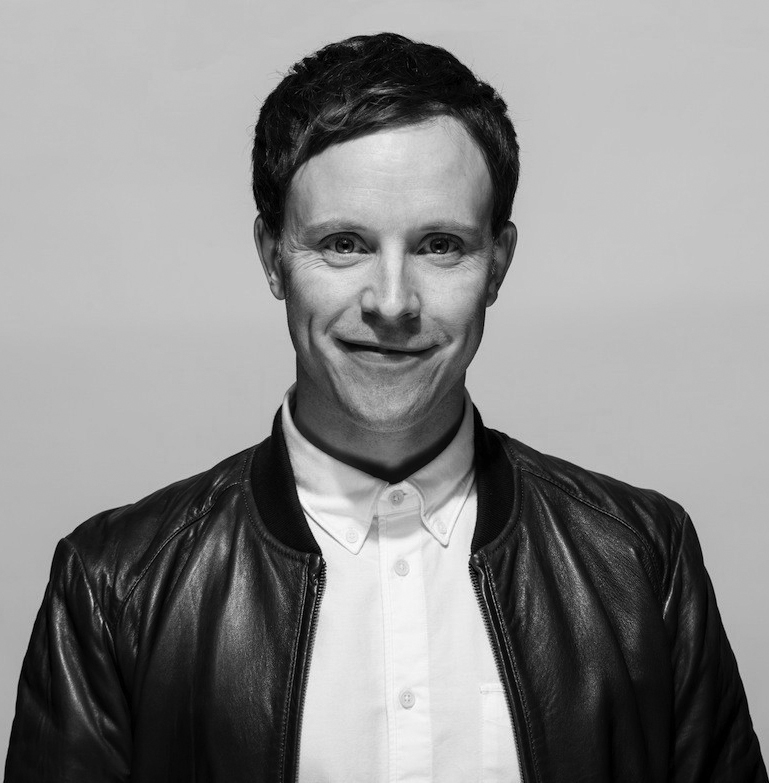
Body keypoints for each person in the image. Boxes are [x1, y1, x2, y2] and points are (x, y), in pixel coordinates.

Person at [4, 32, 766, 783]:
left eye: (439, 245)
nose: (392, 301)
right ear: (273, 257)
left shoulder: (639, 559)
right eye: (343, 243)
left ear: (496, 263)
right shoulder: (116, 587)